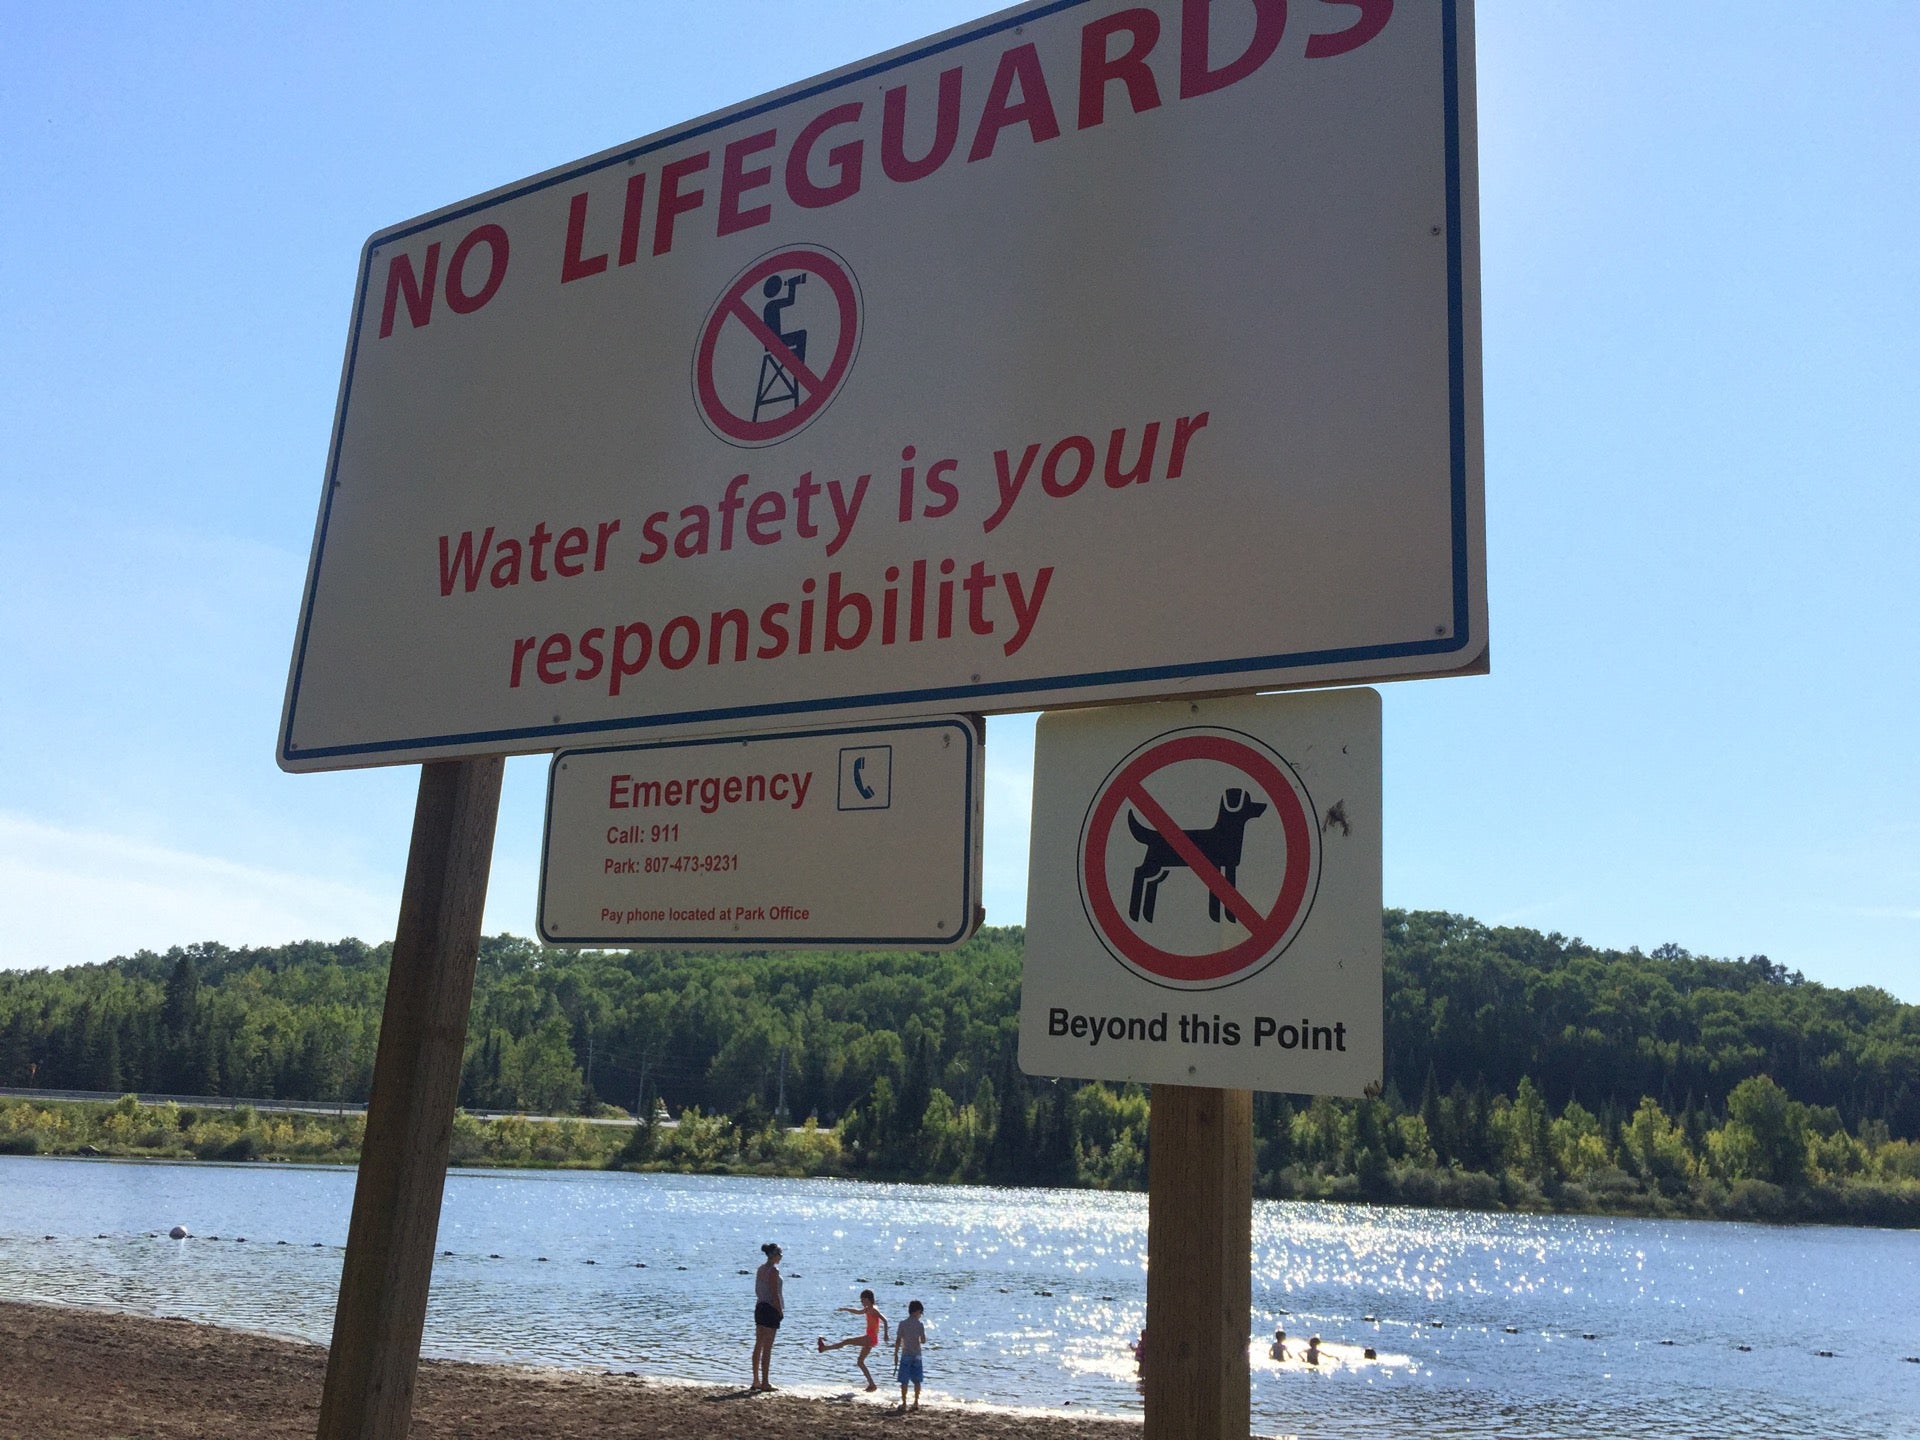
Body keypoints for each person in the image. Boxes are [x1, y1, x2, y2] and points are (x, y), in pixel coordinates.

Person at [819, 1288, 889, 1391]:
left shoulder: (874, 1310)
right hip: (870, 1339)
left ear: (868, 1299)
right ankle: (872, 1385)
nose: (861, 1302)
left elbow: (885, 1320)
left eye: (862, 1300)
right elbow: (857, 1311)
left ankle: (824, 1348)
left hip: (870, 1338)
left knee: (847, 1341)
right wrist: (845, 1309)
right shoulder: (867, 1309)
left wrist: (885, 1335)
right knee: (860, 1362)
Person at [750, 1242, 784, 1391]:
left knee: (759, 1344)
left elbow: (758, 1290)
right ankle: (765, 1382)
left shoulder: (760, 1269)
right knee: (767, 1347)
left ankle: (756, 1380)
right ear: (774, 1255)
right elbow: (774, 1293)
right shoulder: (773, 1271)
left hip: (760, 1307)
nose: (781, 1257)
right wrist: (779, 1311)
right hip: (770, 1309)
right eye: (779, 1254)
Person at [893, 1298, 927, 1411]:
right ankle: (916, 1402)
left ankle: (904, 1403)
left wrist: (896, 1353)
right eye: (920, 1312)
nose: (920, 1315)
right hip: (917, 1355)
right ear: (917, 1311)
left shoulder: (902, 1324)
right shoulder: (920, 1325)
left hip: (906, 1354)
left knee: (904, 1380)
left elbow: (898, 1340)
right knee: (917, 1380)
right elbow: (923, 1341)